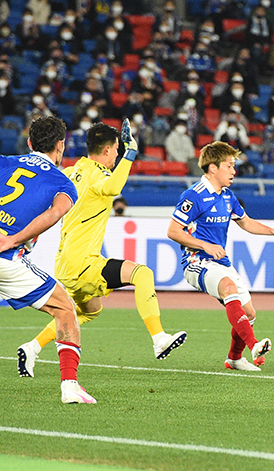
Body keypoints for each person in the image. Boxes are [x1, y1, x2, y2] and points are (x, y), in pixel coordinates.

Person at [19, 120, 187, 375]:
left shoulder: (72, 171)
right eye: (117, 150)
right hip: (84, 262)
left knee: (88, 311)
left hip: (65, 263)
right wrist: (131, 154)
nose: (117, 155)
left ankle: (32, 347)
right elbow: (113, 187)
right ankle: (159, 338)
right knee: (142, 274)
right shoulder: (98, 174)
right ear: (108, 150)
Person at [166, 141, 274, 371]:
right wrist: (204, 245)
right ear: (213, 168)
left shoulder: (227, 196)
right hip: (196, 261)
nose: (234, 171)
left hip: (220, 262)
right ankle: (254, 345)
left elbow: (246, 222)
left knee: (249, 313)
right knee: (228, 287)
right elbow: (173, 231)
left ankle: (234, 358)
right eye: (229, 166)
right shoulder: (194, 195)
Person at [0, 116, 95, 403]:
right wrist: (14, 239)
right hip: (6, 258)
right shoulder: (62, 183)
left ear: (29, 143)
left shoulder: (5, 162)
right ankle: (70, 386)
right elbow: (56, 212)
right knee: (65, 309)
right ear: (60, 145)